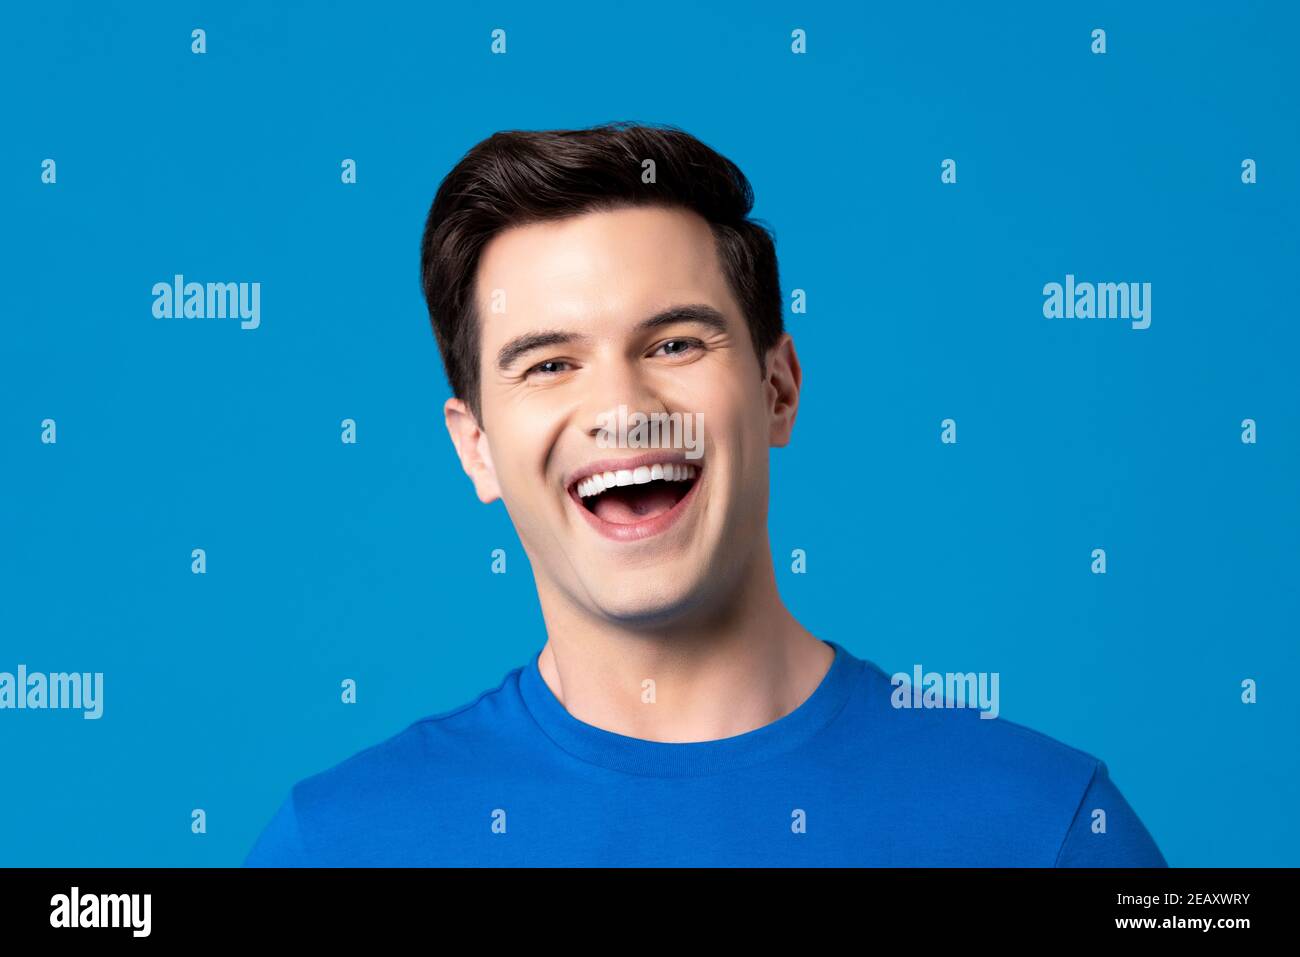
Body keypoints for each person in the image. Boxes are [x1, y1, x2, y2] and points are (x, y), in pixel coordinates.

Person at [245, 122, 1166, 867]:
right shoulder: (337, 844)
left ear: (778, 390)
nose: (622, 408)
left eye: (674, 344)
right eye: (550, 363)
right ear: (477, 447)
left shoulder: (1045, 827)